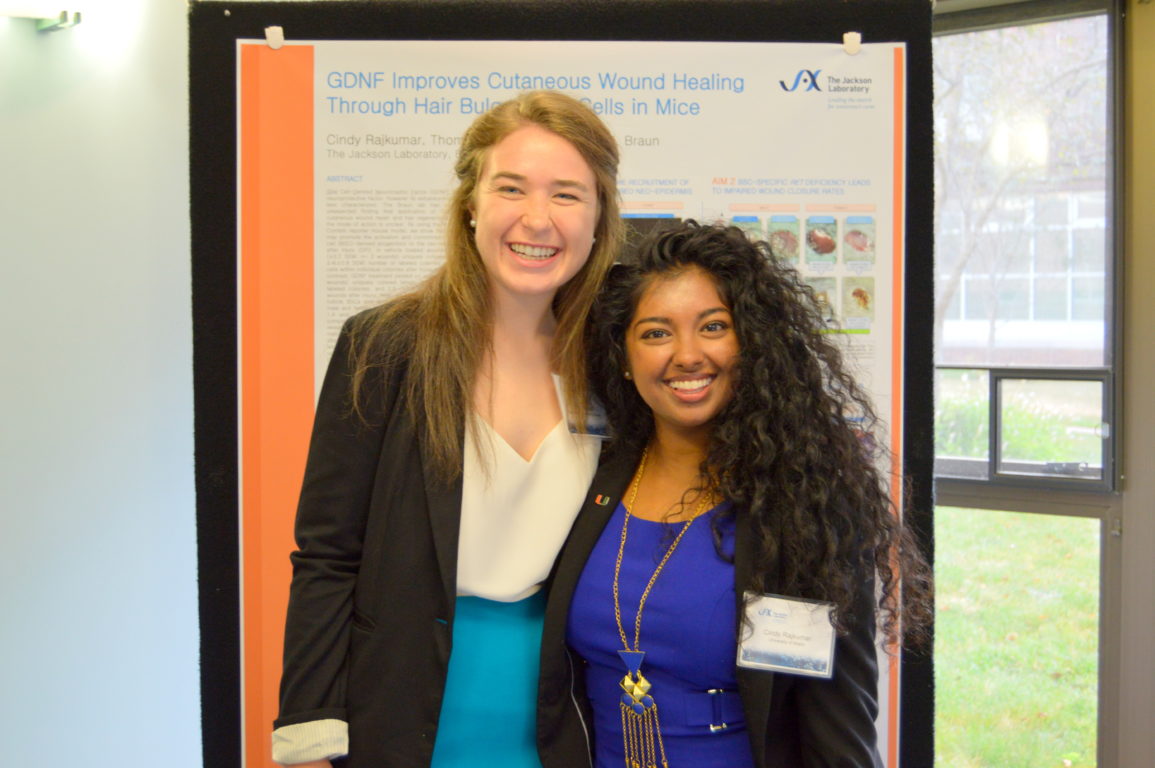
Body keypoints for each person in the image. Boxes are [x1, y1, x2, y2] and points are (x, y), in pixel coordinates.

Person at [271, 91, 623, 768]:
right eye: (511, 187)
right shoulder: (385, 347)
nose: (537, 218)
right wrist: (308, 736)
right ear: (470, 203)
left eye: (567, 195)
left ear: (599, 214)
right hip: (404, 708)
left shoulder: (613, 361)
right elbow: (326, 554)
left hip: (566, 720)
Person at [538, 221, 933, 768]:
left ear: (752, 343)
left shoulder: (804, 504)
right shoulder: (588, 479)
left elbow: (835, 723)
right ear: (624, 358)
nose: (687, 355)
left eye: (714, 327)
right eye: (656, 333)